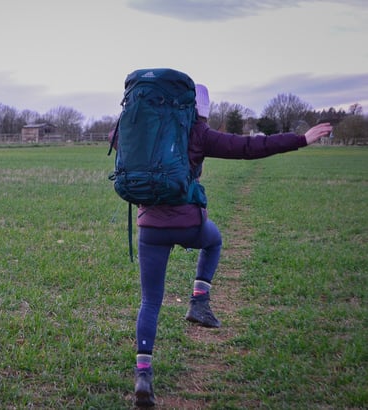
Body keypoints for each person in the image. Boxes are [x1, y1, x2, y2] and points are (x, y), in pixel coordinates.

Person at [131, 84, 332, 407]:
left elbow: (121, 145)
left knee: (150, 301)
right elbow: (249, 146)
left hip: (150, 226)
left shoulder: (148, 128)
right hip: (187, 224)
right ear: (201, 111)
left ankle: (143, 374)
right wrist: (300, 139)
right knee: (214, 240)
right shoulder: (199, 133)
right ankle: (199, 300)